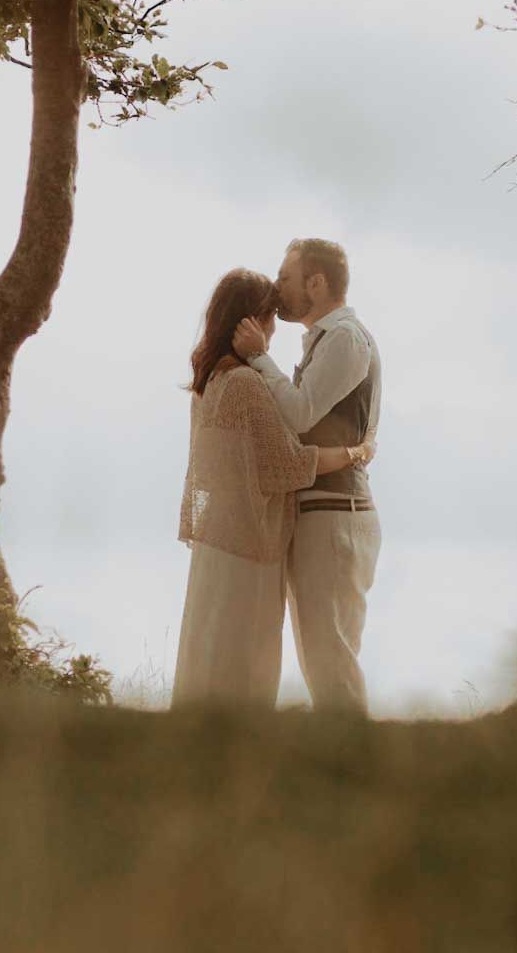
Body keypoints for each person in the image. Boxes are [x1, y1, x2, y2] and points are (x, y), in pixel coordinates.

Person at [171, 268, 372, 706]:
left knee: (207, 648)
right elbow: (288, 463)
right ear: (251, 321)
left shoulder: (209, 383)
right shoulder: (245, 383)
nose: (274, 329)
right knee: (244, 659)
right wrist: (357, 452)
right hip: (248, 544)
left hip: (216, 542)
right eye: (269, 317)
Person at [232, 238, 382, 712]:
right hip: (323, 512)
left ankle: (356, 766)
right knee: (322, 656)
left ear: (317, 282)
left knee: (330, 656)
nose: (278, 288)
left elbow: (298, 416)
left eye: (286, 278)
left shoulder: (344, 338)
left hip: (337, 515)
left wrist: (259, 357)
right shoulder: (327, 338)